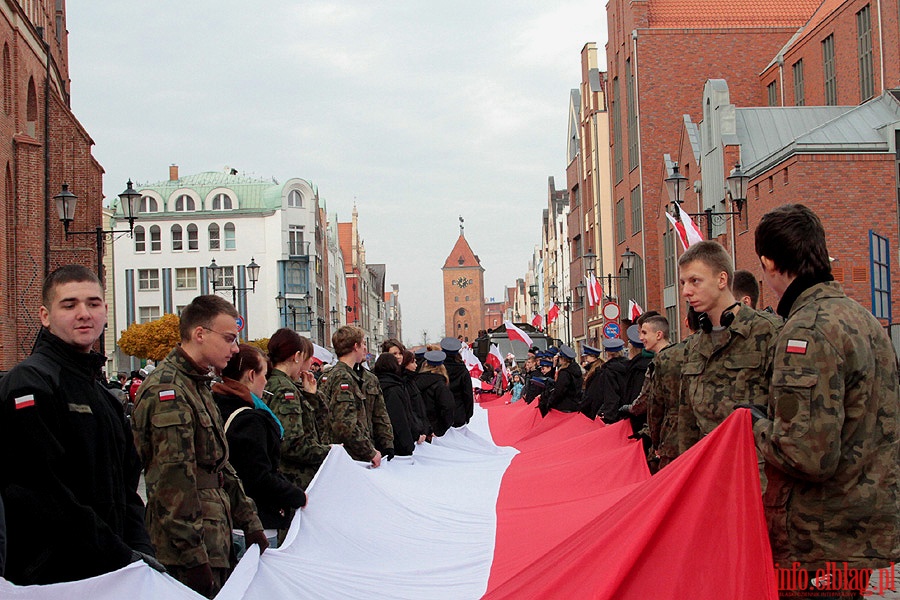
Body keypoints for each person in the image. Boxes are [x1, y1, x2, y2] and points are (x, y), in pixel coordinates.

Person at [748, 204, 899, 590]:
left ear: (769, 263)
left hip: (816, 539)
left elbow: (806, 454)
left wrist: (755, 426)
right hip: (859, 526)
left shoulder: (808, 329)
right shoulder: (862, 318)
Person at [0, 265, 160, 585]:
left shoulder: (102, 395)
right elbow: (40, 491)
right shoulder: (30, 383)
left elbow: (126, 486)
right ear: (45, 316)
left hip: (111, 573)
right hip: (54, 576)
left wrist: (140, 551)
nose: (84, 313)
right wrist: (119, 554)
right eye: (70, 305)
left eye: (94, 303)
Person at [132, 295, 267, 598]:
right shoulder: (169, 389)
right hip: (184, 550)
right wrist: (193, 557)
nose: (235, 349)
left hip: (212, 537)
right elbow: (172, 481)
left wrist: (249, 521)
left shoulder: (198, 385)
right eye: (230, 339)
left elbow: (220, 464)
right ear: (200, 334)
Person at [677, 240, 781, 446]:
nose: (686, 291)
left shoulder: (769, 332)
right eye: (683, 283)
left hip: (754, 470)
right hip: (709, 469)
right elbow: (687, 425)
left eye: (695, 281)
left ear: (722, 280)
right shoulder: (694, 347)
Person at [212, 344, 306, 552]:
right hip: (253, 520)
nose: (267, 381)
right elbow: (259, 475)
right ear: (251, 375)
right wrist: (296, 495)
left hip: (225, 515)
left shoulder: (215, 402)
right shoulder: (250, 419)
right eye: (265, 373)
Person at [265, 328, 331, 491]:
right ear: (296, 357)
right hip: (294, 477)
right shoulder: (285, 390)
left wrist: (310, 396)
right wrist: (329, 452)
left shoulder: (273, 383)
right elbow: (291, 443)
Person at [319, 326, 394, 466]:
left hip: (352, 453)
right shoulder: (343, 377)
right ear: (355, 346)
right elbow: (345, 423)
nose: (365, 348)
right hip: (349, 456)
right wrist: (368, 451)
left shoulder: (349, 375)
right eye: (363, 344)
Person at [372, 353, 418, 456]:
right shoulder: (394, 388)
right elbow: (399, 418)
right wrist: (408, 444)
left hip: (380, 442)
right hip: (396, 444)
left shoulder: (375, 384)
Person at [585, 338, 630, 422]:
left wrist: (607, 417)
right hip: (627, 412)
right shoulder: (630, 366)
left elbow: (611, 395)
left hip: (614, 415)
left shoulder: (609, 370)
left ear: (607, 354)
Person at [415, 350, 456, 437]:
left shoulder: (415, 381)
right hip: (435, 428)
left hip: (419, 427)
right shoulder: (440, 385)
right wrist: (443, 428)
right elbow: (448, 407)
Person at [539, 345, 582, 416]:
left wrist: (550, 403)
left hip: (563, 406)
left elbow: (559, 391)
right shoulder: (576, 371)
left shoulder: (564, 373)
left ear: (562, 359)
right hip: (574, 405)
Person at [440, 337, 474, 426]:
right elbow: (468, 394)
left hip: (440, 415)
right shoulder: (462, 370)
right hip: (458, 414)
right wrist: (468, 414)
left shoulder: (438, 369)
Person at [399, 349, 429, 442]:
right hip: (416, 433)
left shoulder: (411, 380)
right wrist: (417, 432)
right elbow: (410, 411)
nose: (416, 365)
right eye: (413, 362)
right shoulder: (404, 383)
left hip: (420, 431)